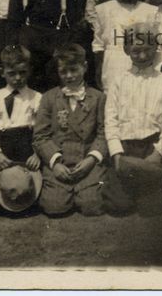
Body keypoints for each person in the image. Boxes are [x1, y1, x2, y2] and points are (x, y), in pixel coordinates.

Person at [33, 44, 132, 216]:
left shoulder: (98, 98)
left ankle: (84, 190)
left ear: (84, 67)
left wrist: (91, 159)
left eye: (73, 70)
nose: (69, 76)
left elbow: (103, 132)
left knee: (91, 206)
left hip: (87, 162)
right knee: (54, 207)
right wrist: (55, 163)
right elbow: (40, 136)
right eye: (63, 71)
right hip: (60, 164)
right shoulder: (49, 98)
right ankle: (63, 192)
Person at [104, 22, 162, 216]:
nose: (142, 56)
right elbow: (110, 120)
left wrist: (159, 152)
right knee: (118, 206)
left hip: (152, 147)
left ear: (156, 48)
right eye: (136, 51)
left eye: (147, 50)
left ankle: (148, 188)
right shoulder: (118, 81)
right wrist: (116, 154)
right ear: (127, 50)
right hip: (125, 147)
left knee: (152, 209)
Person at [0, 45, 42, 216]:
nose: (18, 78)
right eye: (12, 73)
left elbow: (43, 131)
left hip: (28, 155)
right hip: (4, 155)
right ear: (2, 72)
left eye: (22, 72)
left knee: (35, 198)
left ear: (29, 71)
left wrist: (38, 154)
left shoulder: (37, 98)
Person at [91, 0, 157, 90]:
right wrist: (99, 70)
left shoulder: (150, 11)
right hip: (113, 65)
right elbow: (98, 45)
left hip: (142, 63)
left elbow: (155, 46)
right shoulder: (103, 10)